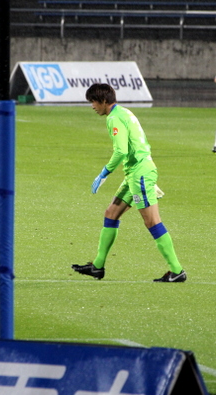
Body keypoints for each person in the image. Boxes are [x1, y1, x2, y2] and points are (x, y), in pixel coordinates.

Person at [72, 83, 186, 283]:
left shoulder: (114, 118)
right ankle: (98, 266)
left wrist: (104, 173)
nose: (92, 106)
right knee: (111, 213)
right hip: (136, 172)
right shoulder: (124, 112)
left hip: (140, 174)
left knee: (152, 221)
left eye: (93, 102)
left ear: (104, 101)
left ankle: (177, 271)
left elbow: (121, 151)